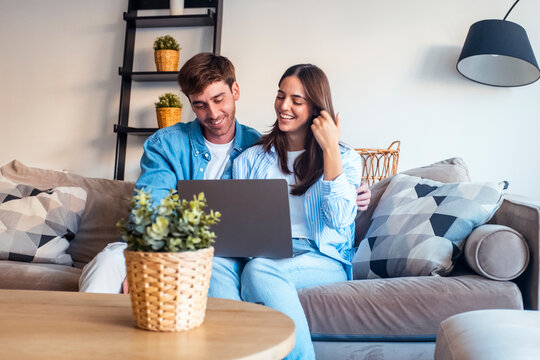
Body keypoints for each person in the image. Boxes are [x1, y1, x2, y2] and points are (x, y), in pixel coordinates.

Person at [78, 53, 371, 300]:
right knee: (108, 264)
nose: (213, 113)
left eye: (219, 99)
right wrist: (146, 258)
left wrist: (349, 186)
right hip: (166, 246)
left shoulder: (256, 147)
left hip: (219, 255)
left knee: (224, 268)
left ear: (235, 92)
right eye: (200, 104)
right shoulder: (167, 144)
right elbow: (150, 208)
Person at [207, 63, 362, 360]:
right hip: (261, 251)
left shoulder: (345, 158)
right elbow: (238, 222)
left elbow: (340, 219)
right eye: (281, 96)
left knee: (260, 270)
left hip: (322, 256)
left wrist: (330, 150)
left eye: (296, 101)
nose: (284, 106)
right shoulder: (252, 158)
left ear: (317, 108)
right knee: (213, 265)